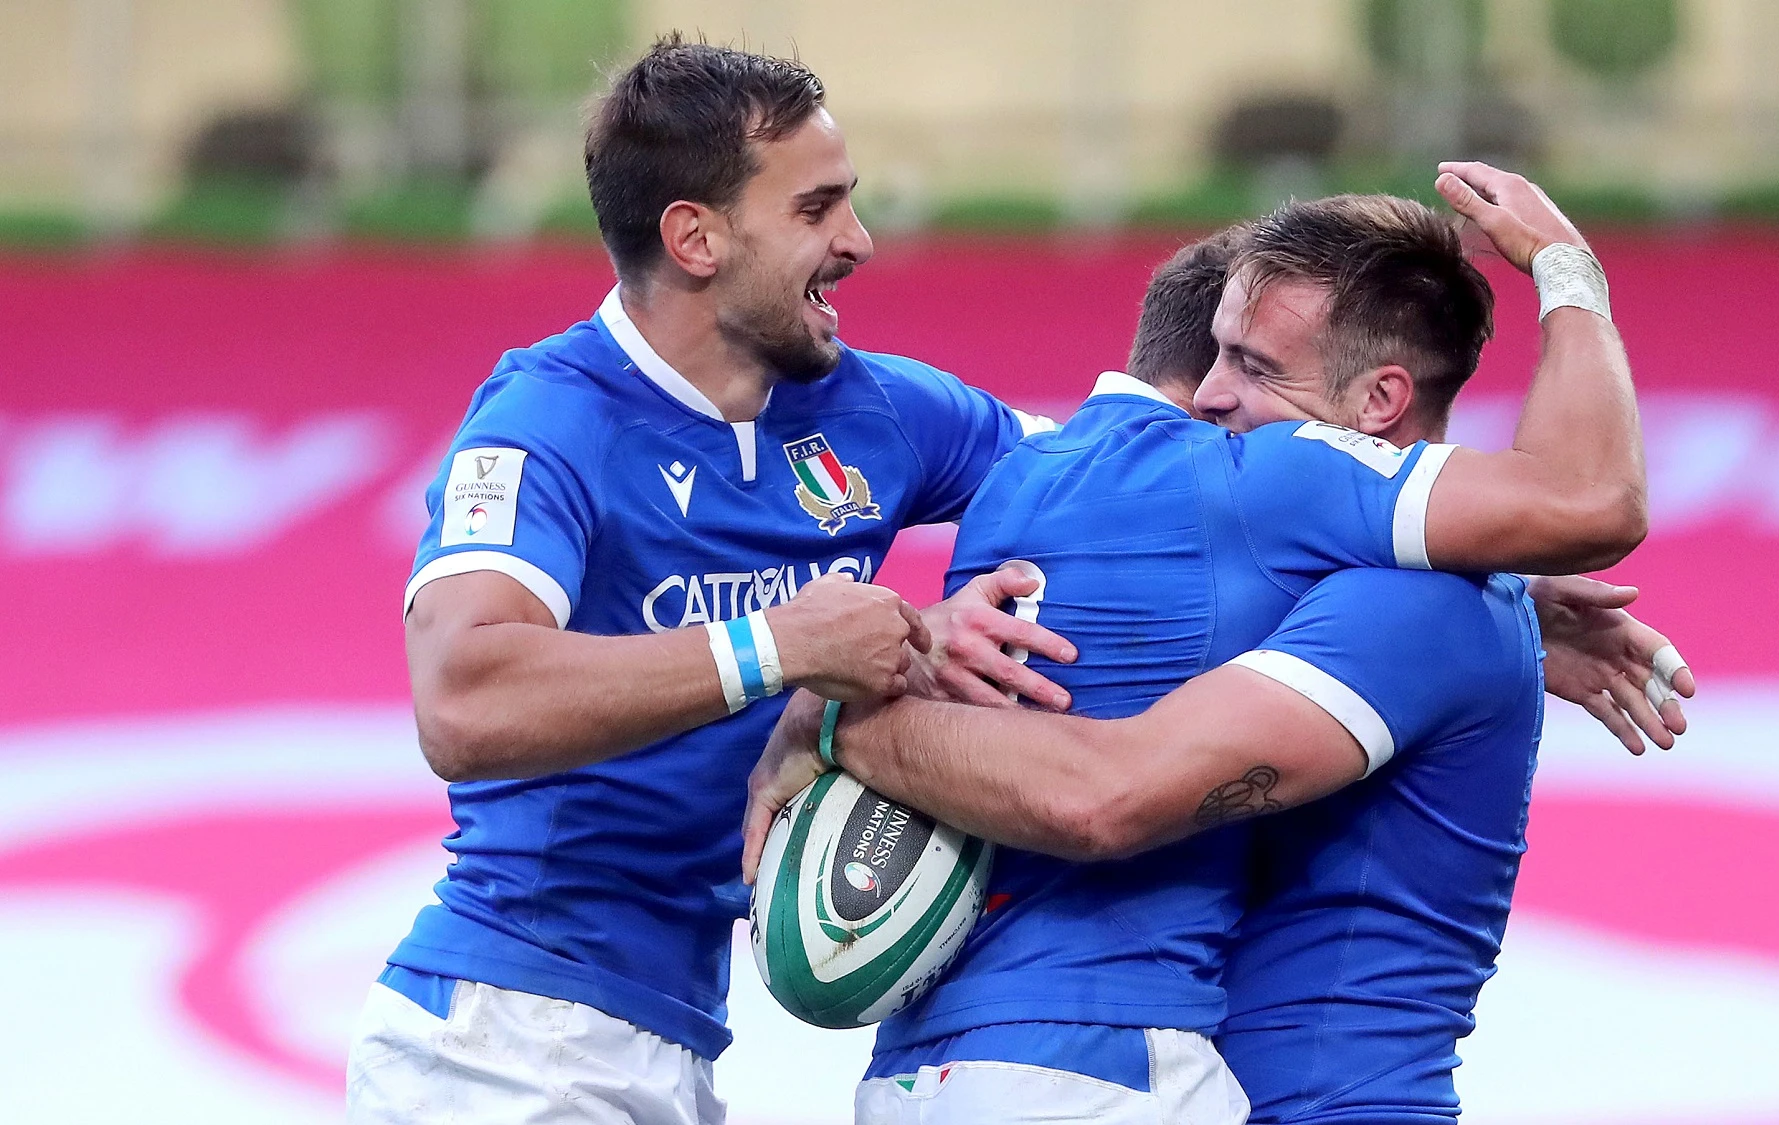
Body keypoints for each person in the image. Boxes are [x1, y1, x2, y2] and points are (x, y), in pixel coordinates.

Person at [743, 166, 1692, 1122]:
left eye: (1253, 367)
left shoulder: (1420, 607)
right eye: (1215, 355)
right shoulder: (1380, 586)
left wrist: (835, 714)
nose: (1206, 396)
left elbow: (1102, 793)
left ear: (1377, 404)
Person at [346, 37, 1072, 1125]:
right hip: (505, 1044)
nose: (859, 242)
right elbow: (462, 699)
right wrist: (781, 648)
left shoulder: (879, 411)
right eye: (816, 209)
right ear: (695, 236)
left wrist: (964, 619)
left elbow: (1111, 492)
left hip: (664, 1039)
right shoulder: (548, 421)